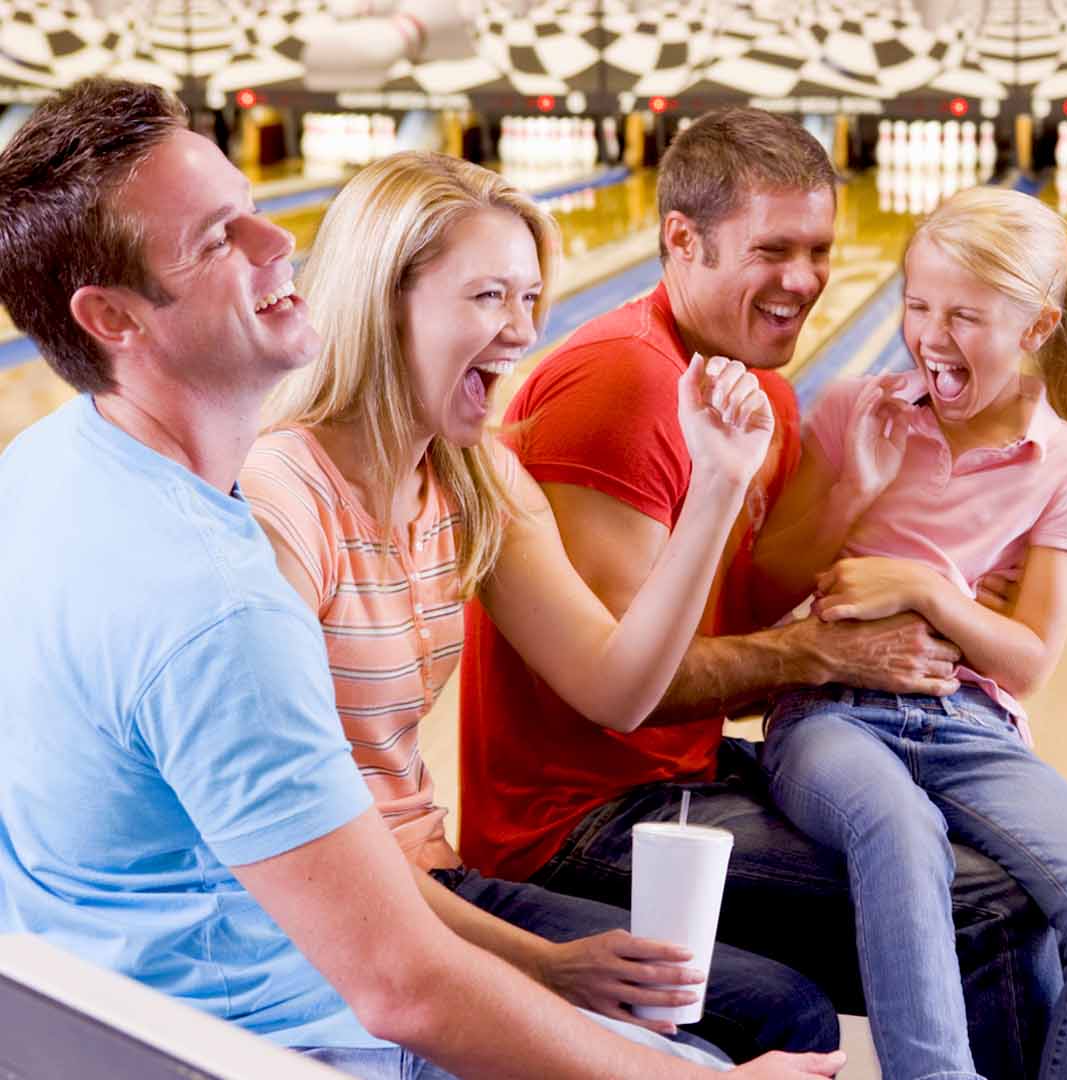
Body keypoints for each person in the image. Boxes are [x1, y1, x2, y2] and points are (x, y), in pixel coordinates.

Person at [0, 77, 841, 1080]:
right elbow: (399, 985)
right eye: (222, 239)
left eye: (259, 214)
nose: (282, 251)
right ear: (112, 319)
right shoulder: (223, 595)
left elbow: (615, 687)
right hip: (254, 1028)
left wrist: (718, 486)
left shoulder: (50, 465)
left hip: (111, 1000)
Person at [457, 105, 1060, 1074]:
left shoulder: (758, 390)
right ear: (680, 241)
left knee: (1033, 878)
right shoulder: (620, 385)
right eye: (772, 249)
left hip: (676, 775)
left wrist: (864, 524)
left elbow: (729, 630)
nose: (806, 281)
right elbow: (626, 688)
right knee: (987, 906)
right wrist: (815, 654)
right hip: (577, 823)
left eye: (819, 249)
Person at [238, 149, 838, 1063]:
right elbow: (303, 841)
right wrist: (544, 965)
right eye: (487, 298)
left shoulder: (477, 477)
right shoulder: (282, 494)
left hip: (433, 880)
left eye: (528, 298)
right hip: (339, 906)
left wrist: (719, 484)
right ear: (385, 298)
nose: (520, 331)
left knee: (778, 1006)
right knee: (770, 1020)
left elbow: (618, 689)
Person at [748, 186, 1067, 1079]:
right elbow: (766, 584)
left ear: (1035, 326)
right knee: (899, 827)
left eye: (965, 316)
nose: (931, 335)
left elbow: (1026, 661)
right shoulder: (852, 405)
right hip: (831, 716)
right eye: (917, 305)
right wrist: (852, 488)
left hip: (970, 726)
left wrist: (929, 590)